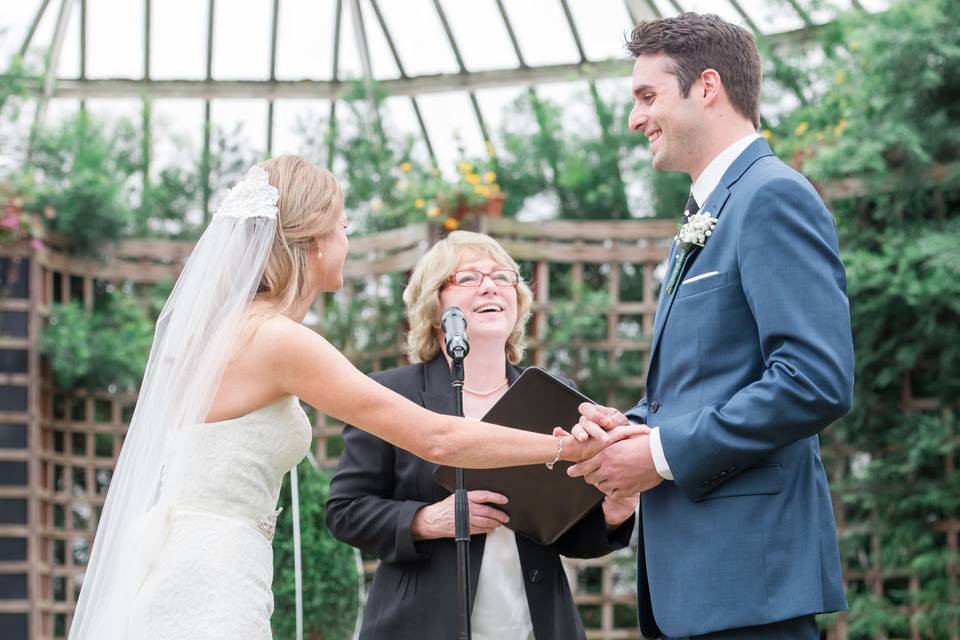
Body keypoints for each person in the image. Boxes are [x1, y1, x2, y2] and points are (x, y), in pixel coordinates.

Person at [68, 156, 640, 640]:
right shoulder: (277, 339)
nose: (347, 241)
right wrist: (567, 448)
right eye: (342, 229)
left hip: (190, 552)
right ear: (313, 242)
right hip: (215, 568)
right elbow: (437, 437)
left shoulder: (223, 331)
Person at [566, 13, 854, 640]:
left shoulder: (773, 197)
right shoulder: (709, 213)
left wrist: (661, 455)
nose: (635, 119)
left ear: (707, 87)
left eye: (647, 97)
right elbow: (708, 383)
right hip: (694, 590)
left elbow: (815, 380)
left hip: (749, 587)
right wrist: (633, 428)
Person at [327, 230, 639, 640]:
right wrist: (427, 520)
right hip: (419, 626)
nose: (491, 285)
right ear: (433, 306)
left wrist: (616, 510)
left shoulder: (551, 394)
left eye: (503, 277)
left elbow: (572, 534)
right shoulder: (392, 393)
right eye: (468, 278)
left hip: (536, 626)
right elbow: (345, 510)